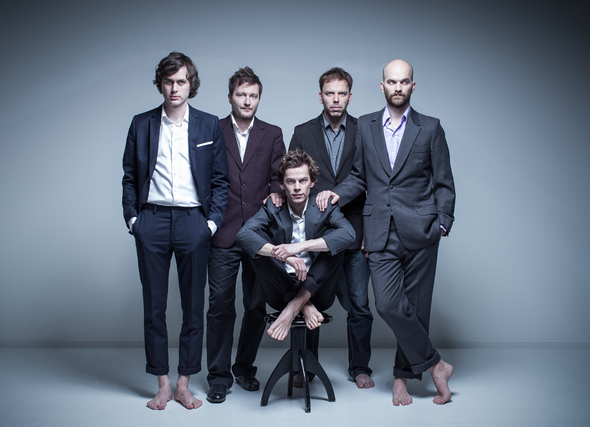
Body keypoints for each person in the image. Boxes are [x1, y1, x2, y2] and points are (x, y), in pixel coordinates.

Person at [317, 60, 455, 405]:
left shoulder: (430, 128)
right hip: (378, 230)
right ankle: (437, 365)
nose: (397, 87)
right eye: (392, 82)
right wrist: (337, 194)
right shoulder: (366, 125)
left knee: (417, 309)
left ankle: (401, 378)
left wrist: (442, 223)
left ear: (412, 86)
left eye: (404, 82)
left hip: (421, 231)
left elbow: (443, 181)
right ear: (382, 86)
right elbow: (359, 176)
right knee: (389, 305)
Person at [122, 52, 229, 410]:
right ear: (161, 84)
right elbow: (129, 177)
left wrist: (209, 224)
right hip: (151, 220)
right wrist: (134, 220)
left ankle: (184, 384)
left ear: (190, 84)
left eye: (181, 81)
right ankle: (162, 384)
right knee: (154, 307)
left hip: (192, 222)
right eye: (168, 81)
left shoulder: (209, 124)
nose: (174, 88)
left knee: (193, 307)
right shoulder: (141, 124)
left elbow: (220, 180)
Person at [288, 67, 374, 389]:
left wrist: (370, 232)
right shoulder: (302, 132)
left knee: (359, 305)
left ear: (350, 97)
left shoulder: (365, 130)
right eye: (329, 93)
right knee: (308, 300)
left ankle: (360, 367)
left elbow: (371, 179)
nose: (335, 99)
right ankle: (305, 367)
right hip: (316, 235)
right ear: (320, 96)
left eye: (341, 93)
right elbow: (292, 177)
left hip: (355, 233)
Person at [206, 67, 285, 404]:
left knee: (255, 305)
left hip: (259, 235)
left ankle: (244, 368)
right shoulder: (212, 129)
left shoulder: (272, 133)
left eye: (253, 95)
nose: (247, 101)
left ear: (259, 98)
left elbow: (279, 176)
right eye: (241, 95)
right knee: (220, 306)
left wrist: (275, 192)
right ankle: (218, 377)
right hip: (222, 233)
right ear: (230, 97)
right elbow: (202, 175)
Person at [236, 149, 355, 343]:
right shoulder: (273, 207)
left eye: (303, 181)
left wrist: (300, 247)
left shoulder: (324, 206)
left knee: (333, 239)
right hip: (280, 290)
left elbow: (349, 234)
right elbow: (243, 235)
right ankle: (301, 302)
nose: (297, 187)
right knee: (258, 241)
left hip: (318, 290)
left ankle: (294, 306)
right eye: (291, 181)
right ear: (281, 184)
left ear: (312, 182)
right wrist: (284, 255)